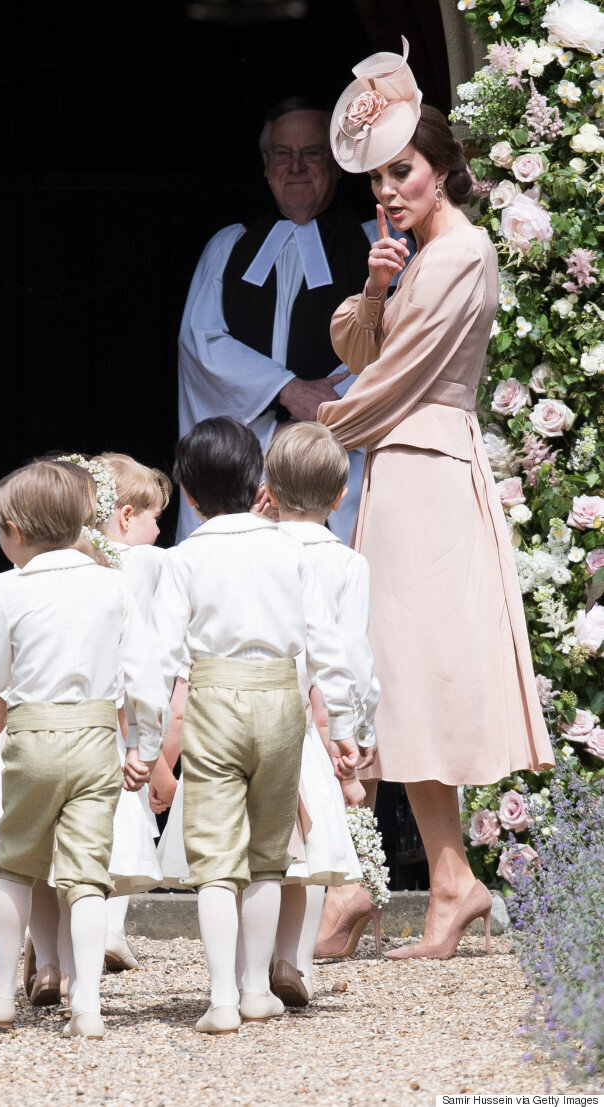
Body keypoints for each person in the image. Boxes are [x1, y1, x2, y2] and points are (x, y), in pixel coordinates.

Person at [317, 42, 555, 959]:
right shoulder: (418, 258)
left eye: (402, 170)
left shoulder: (460, 254)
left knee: (402, 671)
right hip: (403, 473)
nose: (388, 189)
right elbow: (365, 348)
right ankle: (440, 880)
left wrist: (309, 442)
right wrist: (376, 281)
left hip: (427, 469)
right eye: (378, 177)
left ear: (443, 168)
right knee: (390, 675)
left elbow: (400, 377)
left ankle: (390, 882)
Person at [153, 416, 359, 1034]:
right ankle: (254, 990)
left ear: (187, 493)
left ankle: (220, 997)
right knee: (269, 856)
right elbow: (326, 642)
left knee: (216, 858)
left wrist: (143, 738)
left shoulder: (184, 557)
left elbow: (158, 656)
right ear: (258, 482)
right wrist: (344, 723)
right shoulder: (288, 549)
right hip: (280, 702)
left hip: (214, 696)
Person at [0, 460, 167, 1039]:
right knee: (87, 875)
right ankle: (89, 1007)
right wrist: (144, 748)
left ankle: (1, 993)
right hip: (98, 739)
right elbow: (146, 679)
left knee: (18, 866)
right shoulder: (111, 584)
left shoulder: (7, 589)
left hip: (32, 738)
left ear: (16, 531)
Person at [176, 96, 374, 544]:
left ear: (338, 163)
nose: (296, 166)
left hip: (339, 450)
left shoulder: (375, 247)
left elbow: (397, 347)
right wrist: (286, 390)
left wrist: (324, 409)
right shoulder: (230, 247)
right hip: (253, 449)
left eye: (312, 153)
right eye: (283, 154)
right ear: (266, 166)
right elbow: (200, 343)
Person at [257, 422, 379, 1001]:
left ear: (269, 490)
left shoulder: (257, 550)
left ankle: (249, 966)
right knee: (308, 859)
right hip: (315, 727)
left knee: (261, 849)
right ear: (340, 496)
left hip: (255, 707)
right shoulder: (349, 564)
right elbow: (351, 654)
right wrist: (358, 728)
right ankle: (295, 963)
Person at [94, 452, 172, 970]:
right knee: (126, 823)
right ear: (126, 516)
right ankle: (110, 930)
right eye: (155, 519)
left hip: (73, 721)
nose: (160, 531)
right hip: (125, 722)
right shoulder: (143, 562)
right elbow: (136, 663)